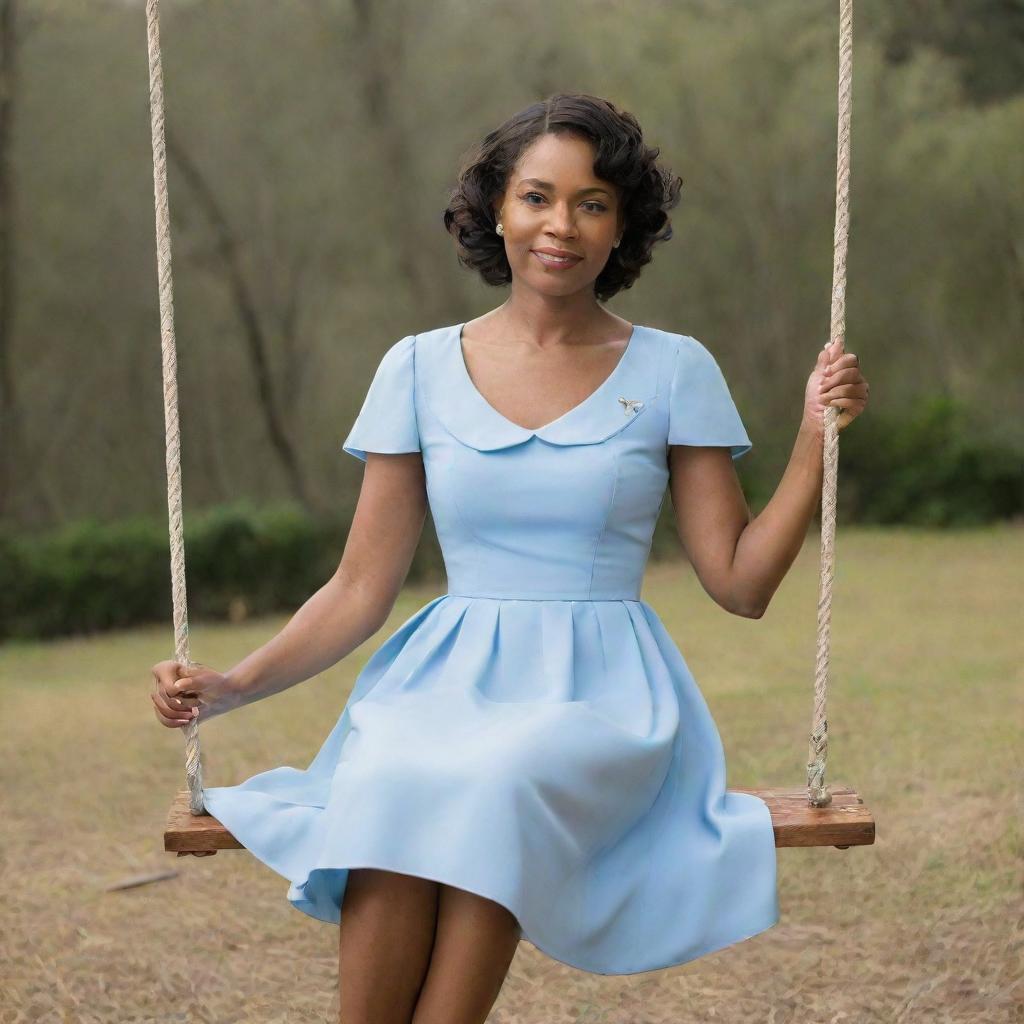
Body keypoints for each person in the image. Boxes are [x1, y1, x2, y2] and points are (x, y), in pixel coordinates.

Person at [150, 93, 869, 1024]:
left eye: (594, 203)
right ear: (498, 208)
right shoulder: (416, 367)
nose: (560, 225)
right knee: (399, 772)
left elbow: (739, 583)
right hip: (446, 677)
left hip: (601, 694)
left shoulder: (674, 369)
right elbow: (362, 586)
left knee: (501, 778)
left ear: (624, 229)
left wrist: (815, 435)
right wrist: (233, 684)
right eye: (538, 196)